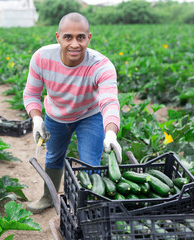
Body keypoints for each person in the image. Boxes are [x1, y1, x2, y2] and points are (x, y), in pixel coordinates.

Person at [23, 12, 122, 213]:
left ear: (89, 38)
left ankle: (88, 207)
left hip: (89, 115)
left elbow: (109, 101)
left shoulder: (101, 65)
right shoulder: (42, 58)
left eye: (81, 37)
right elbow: (31, 93)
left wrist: (111, 132)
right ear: (58, 37)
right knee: (53, 157)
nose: (74, 44)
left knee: (89, 162)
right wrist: (37, 119)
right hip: (56, 115)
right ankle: (48, 197)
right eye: (68, 37)